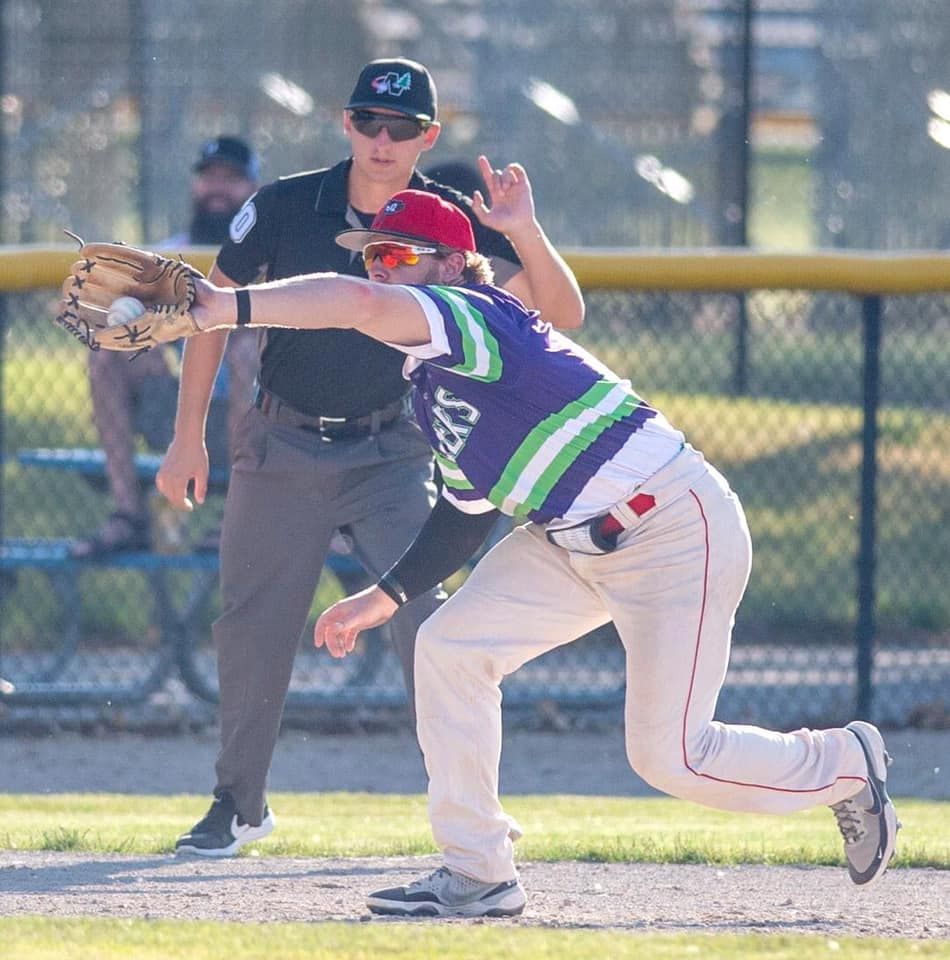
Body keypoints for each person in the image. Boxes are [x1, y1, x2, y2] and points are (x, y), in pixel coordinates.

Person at [174, 172, 899, 917]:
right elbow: (465, 509)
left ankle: (844, 762)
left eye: (398, 255)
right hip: (566, 541)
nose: (379, 269)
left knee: (673, 756)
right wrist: (384, 595)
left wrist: (224, 306)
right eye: (372, 256)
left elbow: (355, 304)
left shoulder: (473, 314)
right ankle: (479, 871)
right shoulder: (432, 382)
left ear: (453, 264)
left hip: (673, 528)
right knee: (449, 648)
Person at [159, 57, 584, 858]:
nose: (383, 141)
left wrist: (523, 228)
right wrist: (189, 436)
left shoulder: (450, 221)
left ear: (429, 135)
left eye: (403, 128)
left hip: (393, 448)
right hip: (280, 443)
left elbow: (564, 312)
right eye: (368, 123)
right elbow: (207, 316)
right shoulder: (285, 206)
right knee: (253, 628)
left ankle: (470, 813)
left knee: (432, 623)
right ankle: (238, 805)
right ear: (346, 124)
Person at [70, 136, 260, 558]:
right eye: (209, 177)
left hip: (256, 423)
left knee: (246, 352)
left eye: (231, 179)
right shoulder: (169, 256)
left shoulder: (268, 254)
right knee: (108, 351)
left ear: (252, 190)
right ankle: (128, 515)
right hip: (178, 416)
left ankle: (236, 519)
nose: (217, 188)